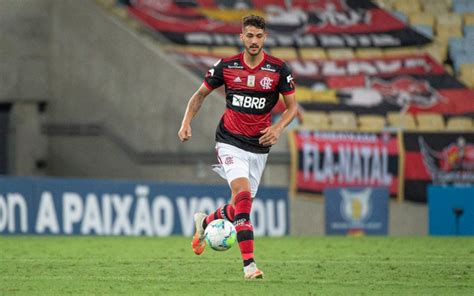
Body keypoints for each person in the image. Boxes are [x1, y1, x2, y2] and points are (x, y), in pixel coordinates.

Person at [177, 14, 297, 280]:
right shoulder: (227, 66)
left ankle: (206, 222)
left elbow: (292, 108)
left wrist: (277, 129)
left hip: (259, 147)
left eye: (258, 36)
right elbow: (200, 95)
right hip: (229, 141)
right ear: (241, 37)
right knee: (242, 196)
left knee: (238, 208)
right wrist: (186, 122)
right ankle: (249, 266)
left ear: (264, 38)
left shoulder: (278, 69)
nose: (254, 41)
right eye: (249, 36)